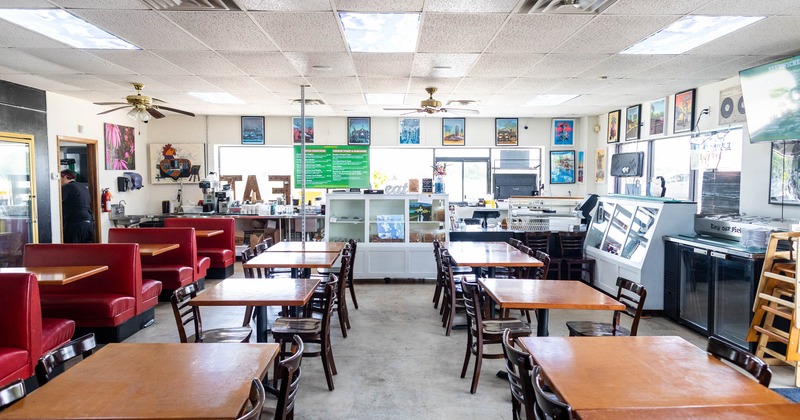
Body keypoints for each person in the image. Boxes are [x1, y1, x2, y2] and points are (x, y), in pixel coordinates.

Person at [60, 169, 94, 243]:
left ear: (65, 177)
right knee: (86, 249)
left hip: (76, 222)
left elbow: (58, 203)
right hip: (88, 221)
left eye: (60, 179)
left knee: (72, 249)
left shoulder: (67, 187)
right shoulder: (83, 187)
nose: (59, 182)